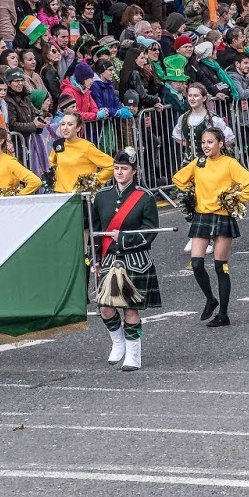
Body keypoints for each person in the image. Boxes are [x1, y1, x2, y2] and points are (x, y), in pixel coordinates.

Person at [172, 126, 249, 328]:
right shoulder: (199, 163)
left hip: (222, 217)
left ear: (220, 143)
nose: (206, 146)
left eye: (210, 142)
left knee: (221, 266)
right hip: (202, 216)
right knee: (196, 263)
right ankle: (211, 299)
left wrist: (234, 200)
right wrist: (192, 194)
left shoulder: (230, 163)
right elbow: (178, 178)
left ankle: (223, 314)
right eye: (203, 142)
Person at [90, 147, 161, 371]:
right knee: (105, 308)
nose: (119, 172)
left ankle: (134, 354)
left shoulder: (145, 197)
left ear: (134, 171)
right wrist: (94, 258)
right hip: (109, 258)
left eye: (124, 169)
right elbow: (96, 231)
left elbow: (150, 231)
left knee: (130, 309)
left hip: (135, 260)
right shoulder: (102, 196)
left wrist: (124, 240)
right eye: (117, 168)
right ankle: (118, 342)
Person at [46, 112, 114, 194]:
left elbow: (112, 165)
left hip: (80, 197)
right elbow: (51, 163)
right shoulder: (57, 145)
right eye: (63, 124)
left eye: (70, 124)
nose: (65, 128)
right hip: (60, 195)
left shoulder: (87, 147)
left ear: (78, 128)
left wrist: (92, 182)